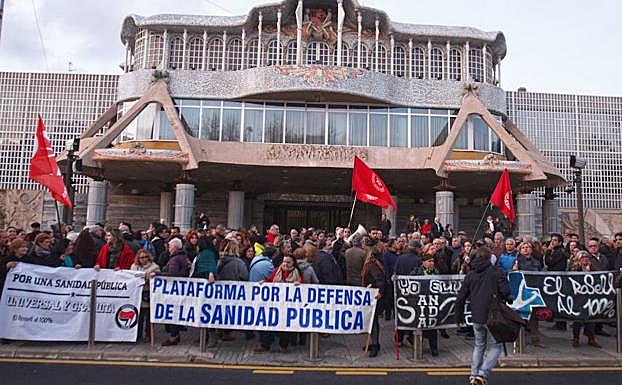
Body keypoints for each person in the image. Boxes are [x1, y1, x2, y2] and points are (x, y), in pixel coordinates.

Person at [455, 247, 511, 385]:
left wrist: (459, 316)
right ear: (489, 258)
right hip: (493, 315)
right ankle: (482, 373)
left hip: (476, 315)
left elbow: (461, 297)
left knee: (479, 345)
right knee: (496, 345)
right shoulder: (497, 272)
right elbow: (505, 291)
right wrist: (507, 297)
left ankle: (473, 375)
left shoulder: (471, 274)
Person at [254, 255, 302, 353]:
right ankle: (265, 345)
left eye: (288, 262)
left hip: (288, 306)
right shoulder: (277, 270)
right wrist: (264, 282)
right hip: (274, 305)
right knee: (268, 325)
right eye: (284, 261)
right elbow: (270, 280)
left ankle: (283, 346)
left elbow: (303, 285)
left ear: (293, 263)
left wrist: (299, 284)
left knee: (285, 328)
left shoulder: (297, 273)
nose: (285, 264)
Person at [156, 238, 190, 346]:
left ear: (174, 247)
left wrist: (158, 275)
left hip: (174, 290)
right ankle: (175, 335)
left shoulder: (175, 259)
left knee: (172, 313)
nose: (168, 248)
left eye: (170, 246)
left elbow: (173, 274)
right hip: (179, 288)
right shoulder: (182, 257)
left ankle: (173, 336)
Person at [513, 242, 544, 348]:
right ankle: (517, 340)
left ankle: (535, 339)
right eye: (523, 248)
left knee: (534, 317)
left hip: (533, 292)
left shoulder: (536, 262)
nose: (526, 249)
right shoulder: (517, 261)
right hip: (521, 292)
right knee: (519, 316)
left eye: (528, 247)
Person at [570, 251, 602, 348]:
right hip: (579, 297)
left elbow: (599, 277)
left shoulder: (593, 268)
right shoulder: (575, 269)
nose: (585, 259)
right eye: (582, 258)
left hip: (590, 297)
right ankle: (576, 338)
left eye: (586, 258)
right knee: (578, 319)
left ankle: (591, 338)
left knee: (591, 319)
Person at [131, 249, 160, 342]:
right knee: (138, 315)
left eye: (146, 257)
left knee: (148, 316)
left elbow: (158, 277)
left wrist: (153, 276)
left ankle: (148, 334)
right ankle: (137, 334)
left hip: (148, 293)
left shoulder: (154, 267)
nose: (144, 259)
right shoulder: (134, 267)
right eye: (142, 257)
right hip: (137, 294)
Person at [413, 254, 440, 356]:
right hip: (420, 302)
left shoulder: (436, 272)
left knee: (433, 326)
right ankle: (419, 349)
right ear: (423, 262)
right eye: (429, 261)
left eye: (433, 261)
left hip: (432, 302)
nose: (431, 263)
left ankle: (434, 348)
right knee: (420, 326)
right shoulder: (416, 272)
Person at [361, 246, 385, 358]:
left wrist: (379, 292)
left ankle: (375, 345)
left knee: (373, 321)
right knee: (372, 320)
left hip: (374, 296)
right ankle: (373, 343)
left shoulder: (372, 266)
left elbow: (379, 280)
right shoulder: (374, 264)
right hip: (372, 294)